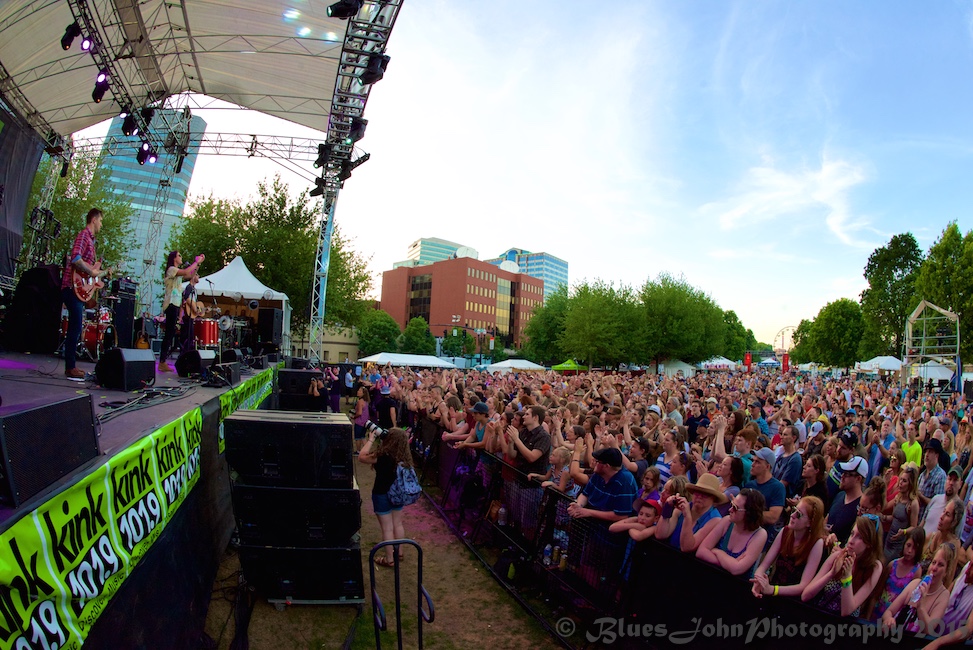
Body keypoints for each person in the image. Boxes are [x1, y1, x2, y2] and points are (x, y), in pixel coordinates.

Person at [802, 516, 884, 617]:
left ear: (869, 543)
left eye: (860, 537)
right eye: (852, 534)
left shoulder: (874, 567)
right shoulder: (838, 556)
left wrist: (847, 578)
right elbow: (805, 596)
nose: (851, 541)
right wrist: (831, 573)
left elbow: (846, 611)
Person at [61, 208, 109, 380]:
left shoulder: (91, 240)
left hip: (79, 288)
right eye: (101, 221)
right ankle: (70, 367)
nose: (101, 224)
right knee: (75, 326)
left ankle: (71, 366)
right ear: (94, 219)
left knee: (76, 325)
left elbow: (91, 272)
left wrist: (101, 273)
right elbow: (75, 258)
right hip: (71, 286)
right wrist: (93, 272)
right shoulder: (84, 235)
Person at [751, 496, 826, 599]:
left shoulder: (816, 543)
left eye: (798, 514)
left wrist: (773, 589)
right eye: (794, 510)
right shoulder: (785, 532)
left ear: (810, 523)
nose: (792, 515)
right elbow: (764, 565)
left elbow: (803, 586)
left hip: (792, 601)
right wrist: (758, 580)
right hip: (773, 591)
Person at [358, 426, 412, 567]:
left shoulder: (383, 456)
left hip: (382, 493)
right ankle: (399, 552)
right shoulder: (404, 457)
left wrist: (370, 439)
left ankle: (389, 559)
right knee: (398, 524)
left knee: (387, 528)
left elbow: (362, 457)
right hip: (398, 493)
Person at [882, 543, 957, 636]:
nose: (934, 568)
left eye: (940, 565)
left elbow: (929, 630)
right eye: (933, 562)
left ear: (946, 572)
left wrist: (921, 605)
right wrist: (888, 619)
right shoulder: (915, 583)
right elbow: (888, 612)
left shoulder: (943, 596)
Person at [696, 488, 767, 576]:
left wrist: (718, 552)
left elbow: (737, 570)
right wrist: (730, 564)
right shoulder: (727, 521)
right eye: (732, 504)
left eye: (735, 508)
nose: (730, 510)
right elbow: (701, 551)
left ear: (749, 513)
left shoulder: (760, 534)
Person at [158, 250, 204, 372]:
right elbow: (185, 271)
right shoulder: (171, 269)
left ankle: (163, 360)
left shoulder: (176, 272)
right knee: (169, 333)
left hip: (176, 304)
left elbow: (190, 275)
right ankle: (162, 361)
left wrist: (198, 265)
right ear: (174, 258)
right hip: (171, 304)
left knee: (171, 332)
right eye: (179, 255)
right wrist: (196, 261)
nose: (181, 257)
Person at [875, 527, 925, 618]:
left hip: (893, 617)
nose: (909, 551)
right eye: (908, 545)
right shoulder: (892, 564)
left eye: (914, 548)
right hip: (878, 611)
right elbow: (878, 591)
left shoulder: (917, 571)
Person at [884, 465, 920, 561]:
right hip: (889, 539)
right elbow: (893, 517)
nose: (900, 483)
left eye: (904, 481)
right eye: (900, 480)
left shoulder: (913, 503)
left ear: (910, 484)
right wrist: (882, 517)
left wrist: (903, 531)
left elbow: (914, 527)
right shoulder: (898, 498)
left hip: (899, 544)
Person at [179, 272, 200, 353]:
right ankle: (184, 353)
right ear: (193, 276)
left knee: (191, 337)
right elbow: (186, 298)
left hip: (191, 316)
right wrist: (194, 308)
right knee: (187, 337)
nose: (199, 277)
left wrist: (199, 310)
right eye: (197, 275)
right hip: (187, 316)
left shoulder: (194, 289)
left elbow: (195, 303)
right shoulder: (189, 287)